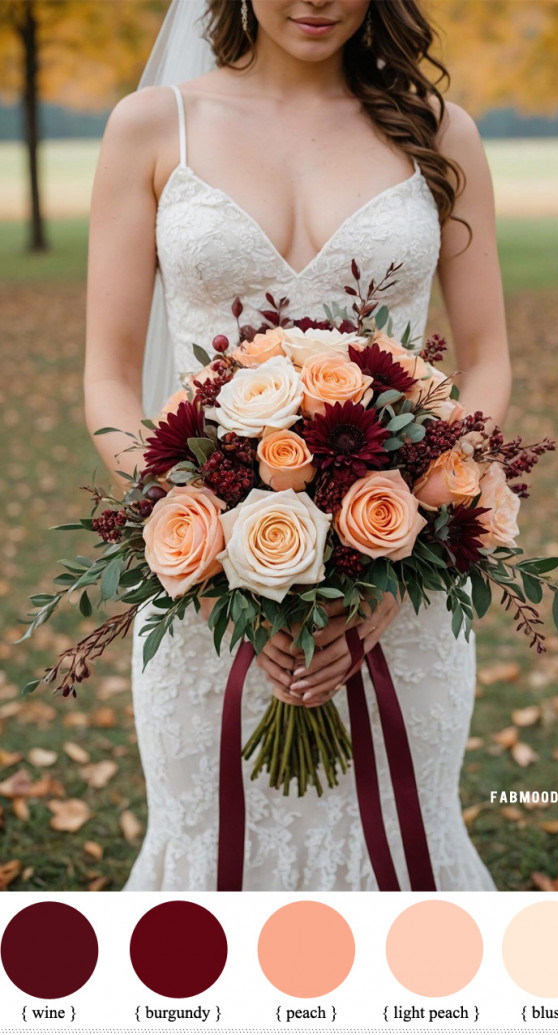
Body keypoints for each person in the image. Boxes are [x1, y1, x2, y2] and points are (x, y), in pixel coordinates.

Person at [84, 0, 510, 890]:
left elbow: (490, 362)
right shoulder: (154, 127)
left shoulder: (441, 135)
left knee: (401, 849)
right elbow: (110, 381)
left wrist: (408, 549)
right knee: (210, 863)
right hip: (207, 596)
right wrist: (204, 552)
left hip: (401, 589)